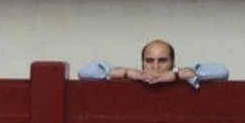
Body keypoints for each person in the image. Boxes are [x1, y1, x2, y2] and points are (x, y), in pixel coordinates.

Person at [76, 39, 228, 89]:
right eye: (149, 61)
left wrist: (175, 75)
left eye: (162, 60)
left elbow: (222, 72)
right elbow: (84, 72)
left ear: (172, 62)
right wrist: (128, 73)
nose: (155, 67)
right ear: (142, 63)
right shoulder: (133, 78)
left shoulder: (182, 77)